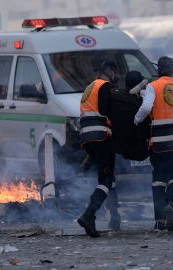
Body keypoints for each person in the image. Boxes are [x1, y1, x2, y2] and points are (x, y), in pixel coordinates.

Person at [133, 56, 173, 231]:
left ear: (159, 70)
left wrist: (136, 120)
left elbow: (145, 108)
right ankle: (171, 206)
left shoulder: (153, 86)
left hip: (160, 141)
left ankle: (159, 220)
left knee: (159, 179)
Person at [77, 60, 121, 237]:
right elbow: (107, 111)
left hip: (87, 137)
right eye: (114, 72)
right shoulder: (105, 86)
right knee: (105, 181)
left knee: (107, 176)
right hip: (101, 135)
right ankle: (89, 215)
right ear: (110, 71)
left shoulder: (90, 88)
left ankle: (113, 217)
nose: (114, 76)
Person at [109, 70, 150, 161]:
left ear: (125, 83)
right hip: (139, 150)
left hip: (118, 149)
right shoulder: (143, 102)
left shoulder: (114, 97)